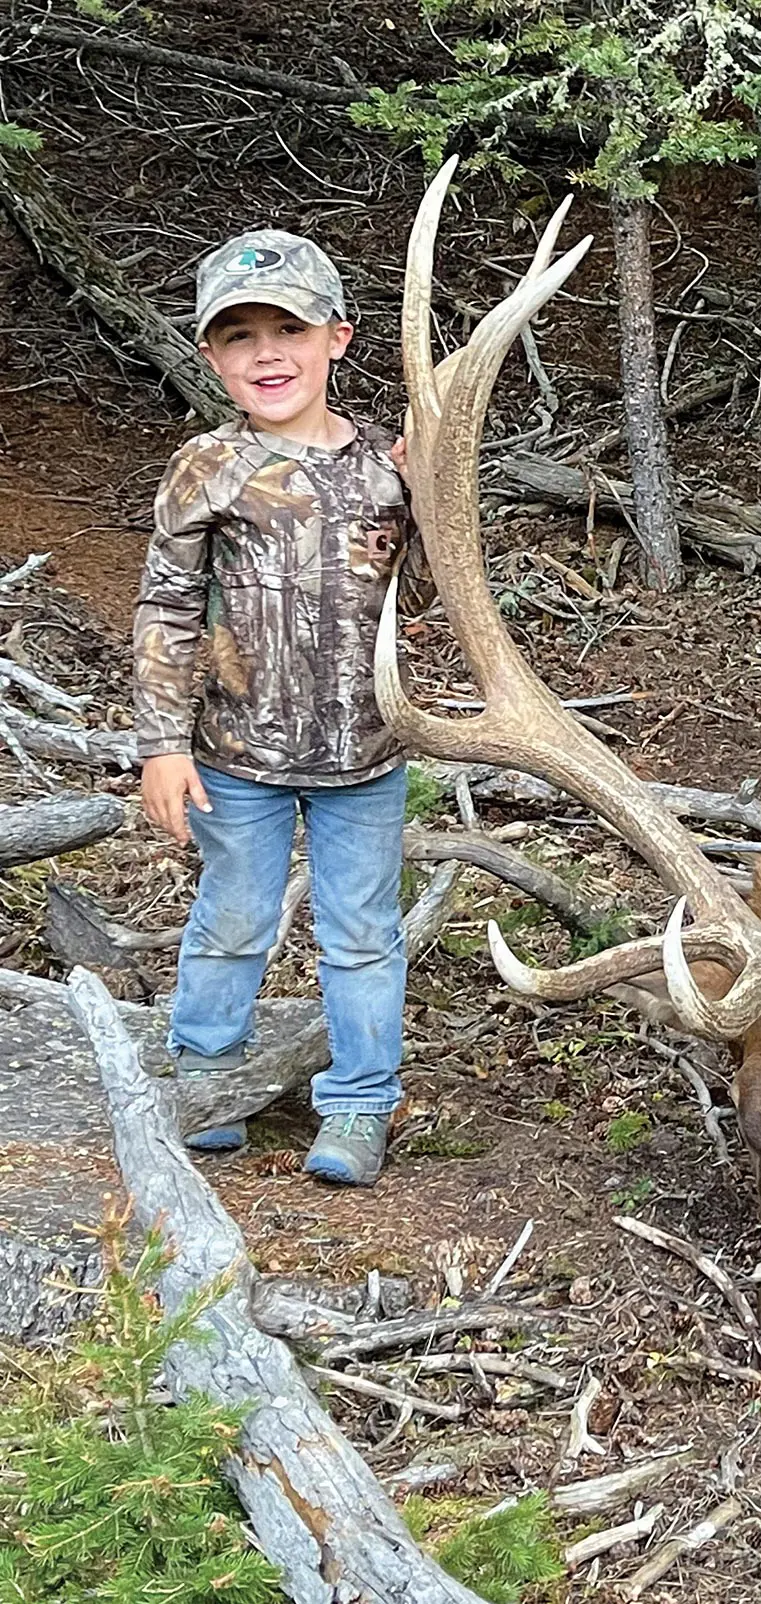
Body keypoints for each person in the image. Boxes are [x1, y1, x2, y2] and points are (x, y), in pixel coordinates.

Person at [133, 229, 414, 1186]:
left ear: (336, 338)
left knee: (364, 931)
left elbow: (426, 597)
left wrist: (438, 488)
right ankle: (211, 1080)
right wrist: (164, 745)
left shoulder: (390, 467)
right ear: (211, 355)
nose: (267, 353)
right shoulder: (204, 465)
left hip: (366, 759)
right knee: (233, 918)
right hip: (234, 754)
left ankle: (361, 1103)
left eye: (288, 328)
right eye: (240, 335)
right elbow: (167, 607)